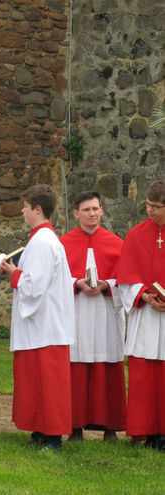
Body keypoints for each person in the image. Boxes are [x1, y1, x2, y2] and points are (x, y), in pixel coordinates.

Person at [0, 184, 75, 450]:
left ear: (37, 209)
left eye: (25, 206)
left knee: (49, 384)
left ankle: (52, 435)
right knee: (38, 382)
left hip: (46, 326)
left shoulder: (43, 241)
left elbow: (35, 285)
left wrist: (13, 273)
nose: (21, 210)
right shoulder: (43, 239)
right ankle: (42, 430)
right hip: (43, 326)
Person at [60, 191, 125, 442]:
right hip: (76, 314)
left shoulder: (116, 243)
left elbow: (127, 280)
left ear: (102, 211)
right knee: (75, 368)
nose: (92, 214)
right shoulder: (63, 243)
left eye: (96, 209)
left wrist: (107, 285)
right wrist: (76, 283)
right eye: (86, 210)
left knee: (108, 366)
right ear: (76, 213)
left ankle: (111, 427)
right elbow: (55, 280)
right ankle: (75, 426)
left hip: (106, 314)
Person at [116, 179, 165, 450]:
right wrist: (143, 295)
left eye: (156, 207)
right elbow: (125, 278)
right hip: (145, 314)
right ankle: (146, 431)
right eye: (147, 205)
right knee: (144, 375)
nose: (150, 210)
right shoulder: (135, 235)